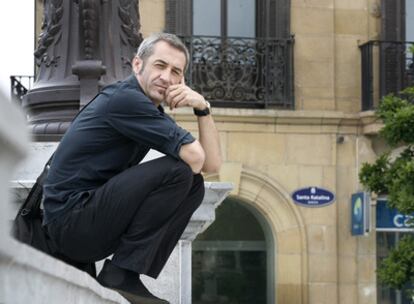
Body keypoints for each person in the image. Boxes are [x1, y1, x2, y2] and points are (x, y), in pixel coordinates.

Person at [43, 32, 222, 304]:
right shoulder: (125, 100)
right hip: (71, 224)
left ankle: (125, 272)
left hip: (87, 221)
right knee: (180, 171)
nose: (167, 77)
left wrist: (202, 108)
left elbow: (211, 165)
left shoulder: (145, 108)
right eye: (160, 66)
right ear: (138, 65)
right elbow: (197, 158)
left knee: (193, 183)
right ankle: (120, 274)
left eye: (176, 71)